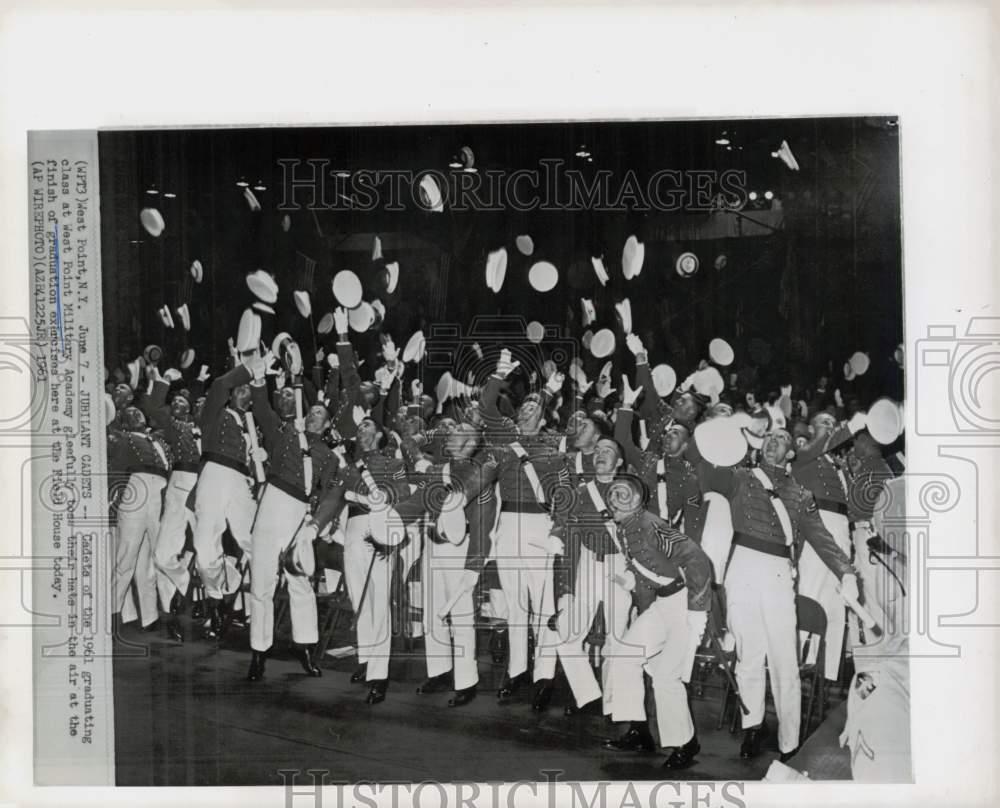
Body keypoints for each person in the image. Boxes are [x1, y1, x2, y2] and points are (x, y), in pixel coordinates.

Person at [697, 426, 859, 760]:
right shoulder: (739, 477)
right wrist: (717, 438)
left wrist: (847, 571)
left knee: (785, 659)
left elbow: (822, 539)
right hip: (741, 567)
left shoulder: (801, 494)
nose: (773, 441)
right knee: (749, 656)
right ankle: (751, 728)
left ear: (790, 453)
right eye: (768, 436)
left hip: (778, 573)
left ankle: (789, 742)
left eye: (782, 439)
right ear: (760, 444)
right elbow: (706, 471)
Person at [600, 475, 712, 770]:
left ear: (637, 500)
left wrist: (698, 610)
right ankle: (639, 730)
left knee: (666, 677)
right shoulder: (625, 527)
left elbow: (697, 559)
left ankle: (686, 744)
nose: (613, 499)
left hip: (684, 603)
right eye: (611, 494)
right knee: (625, 655)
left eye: (621, 494)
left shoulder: (651, 524)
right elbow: (649, 567)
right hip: (663, 603)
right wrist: (630, 580)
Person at [479, 349, 569, 705]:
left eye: (535, 409)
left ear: (544, 418)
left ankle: (545, 675)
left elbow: (563, 495)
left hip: (539, 526)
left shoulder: (553, 448)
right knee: (515, 605)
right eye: (524, 408)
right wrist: (499, 374)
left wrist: (558, 533)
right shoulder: (505, 439)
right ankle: (517, 671)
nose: (528, 411)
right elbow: (487, 408)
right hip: (508, 525)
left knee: (544, 604)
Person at [245, 364, 341, 682]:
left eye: (319, 414)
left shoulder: (329, 455)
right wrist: (260, 382)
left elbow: (327, 492)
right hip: (271, 502)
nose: (313, 415)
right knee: (261, 583)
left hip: (299, 512)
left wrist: (314, 523)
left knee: (299, 580)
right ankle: (259, 652)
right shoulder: (286, 433)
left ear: (327, 425)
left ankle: (305, 648)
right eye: (310, 411)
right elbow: (262, 410)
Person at [397, 423, 498, 707]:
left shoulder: (478, 476)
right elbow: (417, 501)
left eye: (456, 432)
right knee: (432, 612)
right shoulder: (438, 469)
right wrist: (387, 518)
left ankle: (467, 681)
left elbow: (483, 524)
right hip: (432, 546)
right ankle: (439, 670)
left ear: (470, 442)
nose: (449, 434)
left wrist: (474, 566)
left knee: (461, 616)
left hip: (459, 550)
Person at [547, 437, 629, 715]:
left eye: (609, 451)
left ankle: (613, 703)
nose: (600, 454)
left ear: (619, 462)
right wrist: (567, 589)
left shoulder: (631, 492)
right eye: (598, 450)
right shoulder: (580, 493)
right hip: (588, 568)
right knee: (566, 633)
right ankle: (589, 695)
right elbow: (571, 541)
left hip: (620, 567)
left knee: (618, 639)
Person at [190, 360, 263, 639]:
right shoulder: (213, 414)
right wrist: (251, 368)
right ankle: (215, 599)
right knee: (204, 543)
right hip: (215, 473)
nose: (243, 389)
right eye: (239, 386)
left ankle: (257, 608)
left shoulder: (254, 425)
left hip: (242, 481)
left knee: (255, 542)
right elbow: (220, 383)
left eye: (248, 387)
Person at [792, 410, 866, 679]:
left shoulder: (841, 467)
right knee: (809, 591)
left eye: (834, 423)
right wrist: (853, 424)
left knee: (837, 597)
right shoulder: (804, 454)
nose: (831, 427)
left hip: (840, 527)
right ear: (811, 430)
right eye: (825, 422)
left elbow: (855, 506)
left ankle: (829, 670)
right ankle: (796, 659)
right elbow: (823, 444)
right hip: (816, 522)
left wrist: (855, 475)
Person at [141, 368, 201, 642]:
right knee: (163, 555)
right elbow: (153, 406)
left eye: (183, 403)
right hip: (179, 486)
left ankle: (218, 603)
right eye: (174, 402)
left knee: (209, 553)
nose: (176, 405)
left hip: (210, 487)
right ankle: (174, 604)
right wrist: (163, 378)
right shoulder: (175, 429)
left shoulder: (207, 425)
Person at [615, 375, 705, 541]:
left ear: (686, 445)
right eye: (668, 432)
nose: (668, 435)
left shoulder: (689, 477)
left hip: (660, 542)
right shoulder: (649, 460)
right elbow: (622, 443)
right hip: (629, 533)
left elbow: (693, 523)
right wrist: (626, 405)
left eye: (675, 433)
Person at [109, 406, 171, 632]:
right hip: (135, 490)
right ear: (124, 423)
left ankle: (151, 616)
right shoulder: (123, 439)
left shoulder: (159, 441)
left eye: (138, 411)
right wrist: (113, 502)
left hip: (159, 493)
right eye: (129, 413)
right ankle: (112, 614)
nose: (135, 413)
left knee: (153, 559)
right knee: (126, 557)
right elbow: (114, 471)